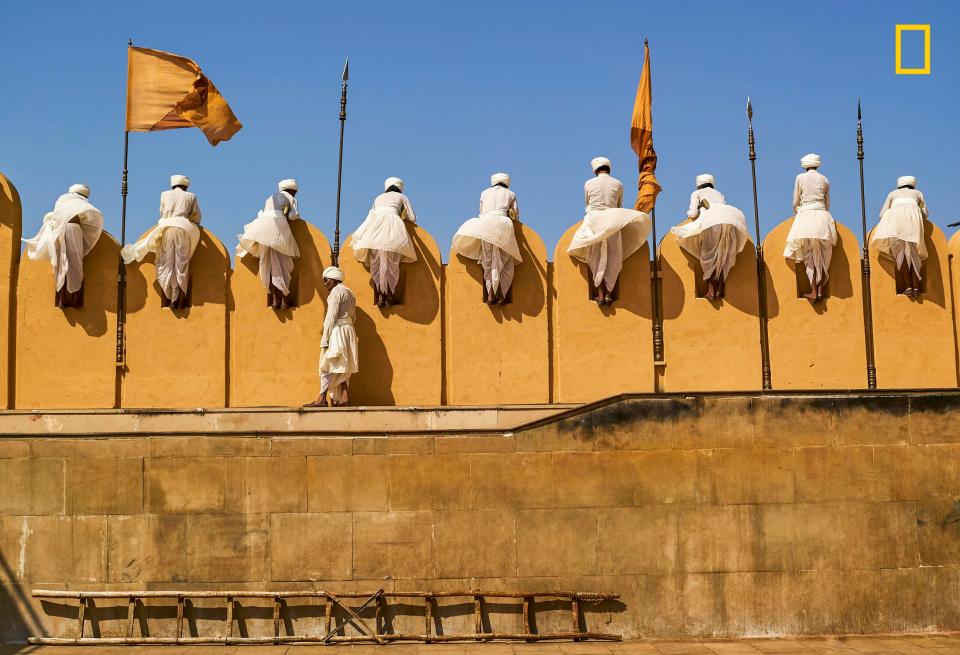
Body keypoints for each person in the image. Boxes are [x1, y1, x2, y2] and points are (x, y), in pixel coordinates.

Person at [567, 157, 651, 304]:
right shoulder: (618, 183)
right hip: (613, 223)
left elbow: (587, 204)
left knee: (595, 259)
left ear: (595, 169)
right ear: (608, 167)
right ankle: (609, 294)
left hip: (595, 224)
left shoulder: (588, 183)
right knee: (613, 259)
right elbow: (618, 205)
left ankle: (599, 294)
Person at [122, 174, 202, 309]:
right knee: (181, 265)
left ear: (173, 184)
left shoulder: (164, 194)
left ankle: (170, 298)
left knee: (166, 263)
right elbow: (196, 216)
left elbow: (162, 212)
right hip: (183, 229)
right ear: (185, 186)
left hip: (166, 229)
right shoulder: (191, 196)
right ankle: (179, 300)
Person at [670, 174, 750, 300]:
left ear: (699, 184)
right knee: (723, 256)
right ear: (711, 183)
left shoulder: (696, 193)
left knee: (709, 256)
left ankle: (711, 291)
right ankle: (719, 290)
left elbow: (692, 213)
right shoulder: (719, 193)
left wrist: (697, 208)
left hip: (712, 222)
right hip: (731, 219)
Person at [23, 183, 103, 308]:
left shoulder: (67, 201)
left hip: (67, 232)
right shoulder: (68, 201)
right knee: (67, 265)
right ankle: (65, 299)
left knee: (69, 264)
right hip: (67, 232)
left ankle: (71, 298)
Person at [452, 173, 522, 304]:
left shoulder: (484, 193)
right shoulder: (510, 193)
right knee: (505, 261)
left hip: (486, 225)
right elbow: (515, 214)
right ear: (506, 182)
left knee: (488, 260)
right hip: (503, 224)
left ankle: (490, 294)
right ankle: (503, 295)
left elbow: (481, 210)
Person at [350, 177, 417, 308]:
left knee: (377, 264)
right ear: (400, 188)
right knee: (391, 265)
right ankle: (389, 297)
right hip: (393, 230)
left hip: (375, 230)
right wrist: (402, 215)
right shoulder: (402, 197)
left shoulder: (378, 198)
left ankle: (380, 297)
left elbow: (373, 212)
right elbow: (413, 217)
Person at [237, 179, 301, 309]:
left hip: (262, 228)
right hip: (278, 227)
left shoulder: (270, 197)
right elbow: (293, 216)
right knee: (284, 266)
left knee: (270, 265)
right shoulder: (290, 198)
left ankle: (274, 300)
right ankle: (284, 301)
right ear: (293, 191)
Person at [783, 154, 837, 302]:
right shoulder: (824, 179)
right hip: (822, 218)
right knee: (822, 256)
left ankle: (813, 291)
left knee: (809, 256)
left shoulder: (800, 177)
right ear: (817, 165)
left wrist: (798, 211)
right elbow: (827, 202)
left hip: (806, 218)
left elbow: (795, 200)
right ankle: (819, 291)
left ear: (804, 165)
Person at [305, 267, 358, 407]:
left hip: (338, 331)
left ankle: (321, 398)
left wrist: (325, 339)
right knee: (344, 367)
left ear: (334, 279)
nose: (324, 283)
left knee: (327, 365)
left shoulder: (335, 293)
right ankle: (344, 398)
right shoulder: (350, 292)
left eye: (326, 280)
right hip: (349, 331)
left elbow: (331, 317)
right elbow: (354, 316)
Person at [871, 175, 929, 296]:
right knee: (914, 256)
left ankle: (908, 287)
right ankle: (916, 287)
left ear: (900, 184)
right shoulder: (918, 193)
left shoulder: (892, 194)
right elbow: (925, 213)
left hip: (896, 227)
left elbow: (883, 213)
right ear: (912, 184)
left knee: (900, 256)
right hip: (913, 227)